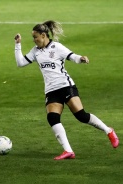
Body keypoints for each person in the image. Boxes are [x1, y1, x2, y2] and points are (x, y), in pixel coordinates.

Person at [14, 20, 119, 160]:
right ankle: (68, 151)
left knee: (81, 116)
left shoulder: (56, 47)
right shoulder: (35, 52)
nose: (34, 40)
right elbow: (20, 63)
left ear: (44, 35)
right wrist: (18, 44)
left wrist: (81, 58)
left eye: (35, 37)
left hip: (66, 86)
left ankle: (108, 130)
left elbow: (72, 57)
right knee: (52, 118)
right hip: (51, 90)